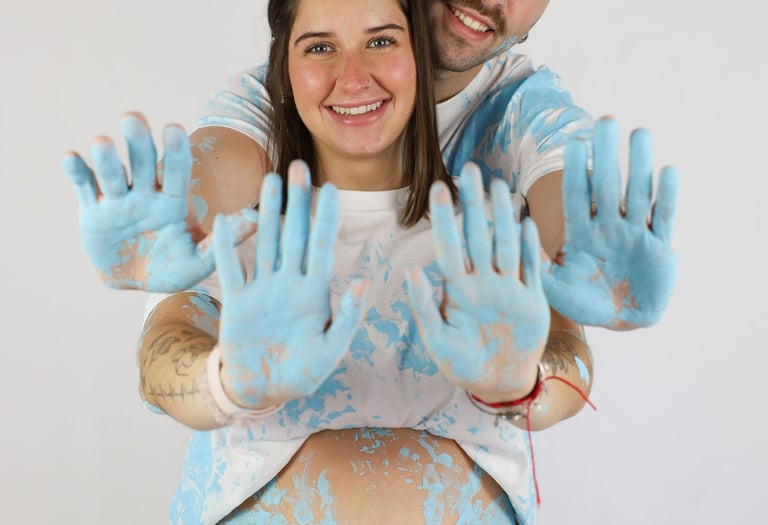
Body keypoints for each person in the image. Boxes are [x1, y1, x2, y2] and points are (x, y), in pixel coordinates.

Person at [63, 0, 613, 523]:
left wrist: (522, 382)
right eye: (320, 48)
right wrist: (232, 382)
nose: (353, 78)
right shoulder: (245, 219)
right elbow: (163, 357)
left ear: (419, 56)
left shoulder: (494, 221)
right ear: (283, 65)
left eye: (380, 40)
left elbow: (571, 360)